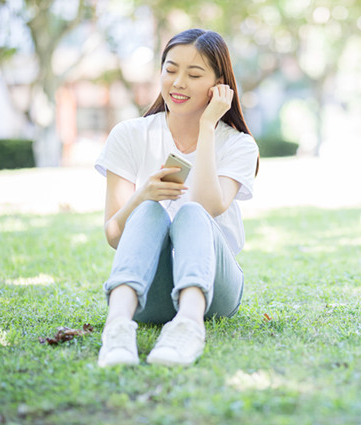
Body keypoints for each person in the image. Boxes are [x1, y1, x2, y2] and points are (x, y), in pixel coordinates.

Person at [94, 28, 259, 367]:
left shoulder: (239, 144)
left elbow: (208, 206)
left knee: (191, 214)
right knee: (149, 210)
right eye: (170, 70)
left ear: (219, 85)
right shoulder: (129, 135)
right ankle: (117, 328)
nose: (178, 82)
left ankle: (189, 326)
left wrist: (207, 128)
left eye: (194, 74)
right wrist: (143, 196)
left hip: (214, 291)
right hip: (148, 293)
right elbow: (114, 235)